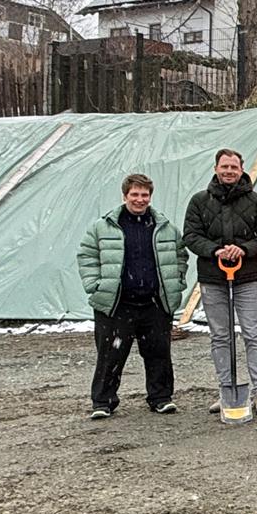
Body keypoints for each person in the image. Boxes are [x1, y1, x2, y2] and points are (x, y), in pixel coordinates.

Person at [79, 173, 187, 419]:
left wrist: (177, 281)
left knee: (159, 353)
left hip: (154, 303)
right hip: (117, 304)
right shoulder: (103, 227)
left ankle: (161, 398)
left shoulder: (165, 228)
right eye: (135, 194)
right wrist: (95, 285)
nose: (140, 199)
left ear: (150, 197)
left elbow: (180, 255)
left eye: (144, 195)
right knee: (111, 354)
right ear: (125, 196)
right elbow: (87, 255)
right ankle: (103, 401)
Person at [184, 148, 257, 415]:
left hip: (247, 277)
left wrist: (244, 249)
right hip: (212, 278)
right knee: (220, 336)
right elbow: (191, 236)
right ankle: (226, 389)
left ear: (241, 169)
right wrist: (215, 250)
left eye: (233, 167)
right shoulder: (199, 201)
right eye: (224, 167)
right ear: (216, 168)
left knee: (252, 335)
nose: (229, 171)